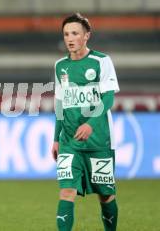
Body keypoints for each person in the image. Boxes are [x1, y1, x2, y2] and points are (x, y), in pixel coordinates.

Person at [52, 13, 119, 231]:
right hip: (69, 141)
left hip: (99, 140)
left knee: (106, 195)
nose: (69, 38)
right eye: (66, 34)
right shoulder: (60, 66)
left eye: (74, 33)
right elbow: (60, 104)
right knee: (66, 191)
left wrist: (90, 123)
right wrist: (56, 139)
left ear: (86, 36)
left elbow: (108, 98)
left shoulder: (102, 61)